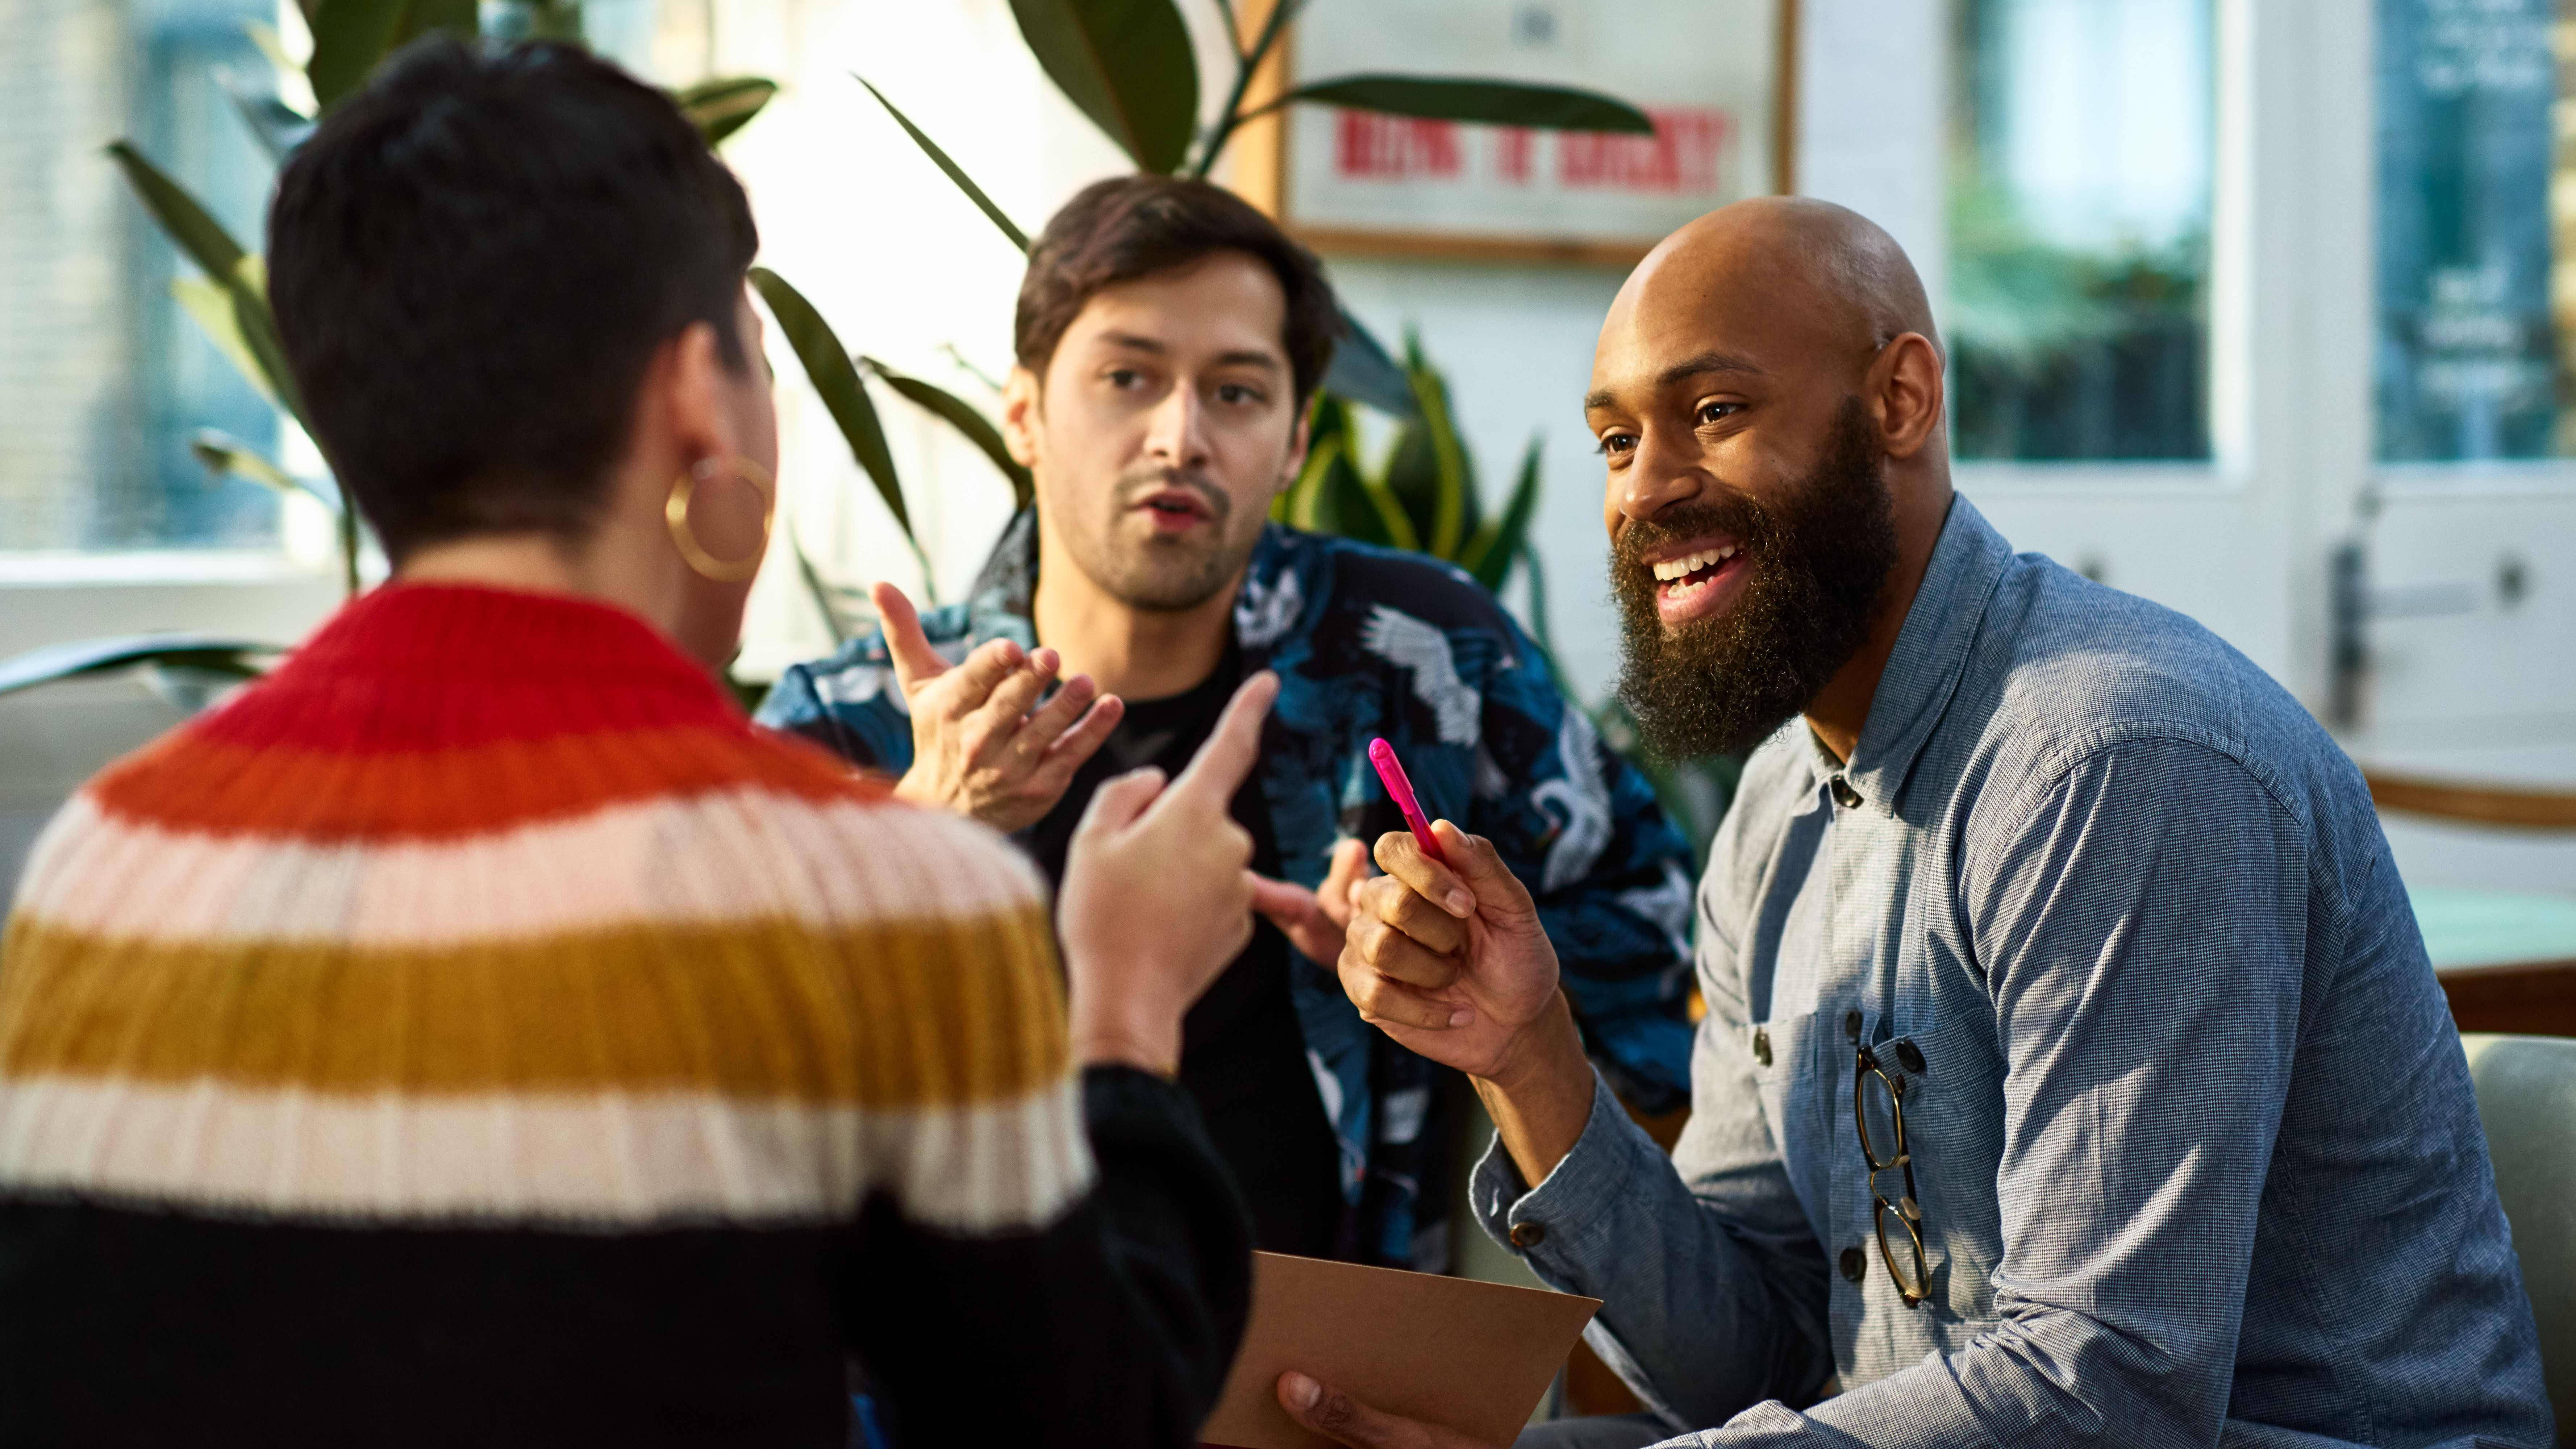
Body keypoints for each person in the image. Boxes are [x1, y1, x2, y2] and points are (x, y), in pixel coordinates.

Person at [0, 41, 1264, 1448]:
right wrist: (1124, 1007)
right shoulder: (886, 893)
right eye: (763, 366)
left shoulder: (101, 859)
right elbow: (1087, 1420)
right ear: (695, 403)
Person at [1272, 198, 2555, 1448]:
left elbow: (2107, 1390)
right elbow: (1761, 1361)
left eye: (1713, 414)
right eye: (1616, 442)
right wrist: (1529, 1059)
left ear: (1899, 400)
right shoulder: (1775, 815)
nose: (1645, 490)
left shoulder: (2115, 764)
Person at [758, 175, 1700, 1269]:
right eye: (1127, 377)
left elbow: (1657, 934)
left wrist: (1457, 962)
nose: (1179, 436)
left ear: (1297, 439)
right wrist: (920, 830)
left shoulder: (1420, 656)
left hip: (1331, 1387)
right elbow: (691, 1089)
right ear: (1024, 413)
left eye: (1238, 393)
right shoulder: (855, 721)